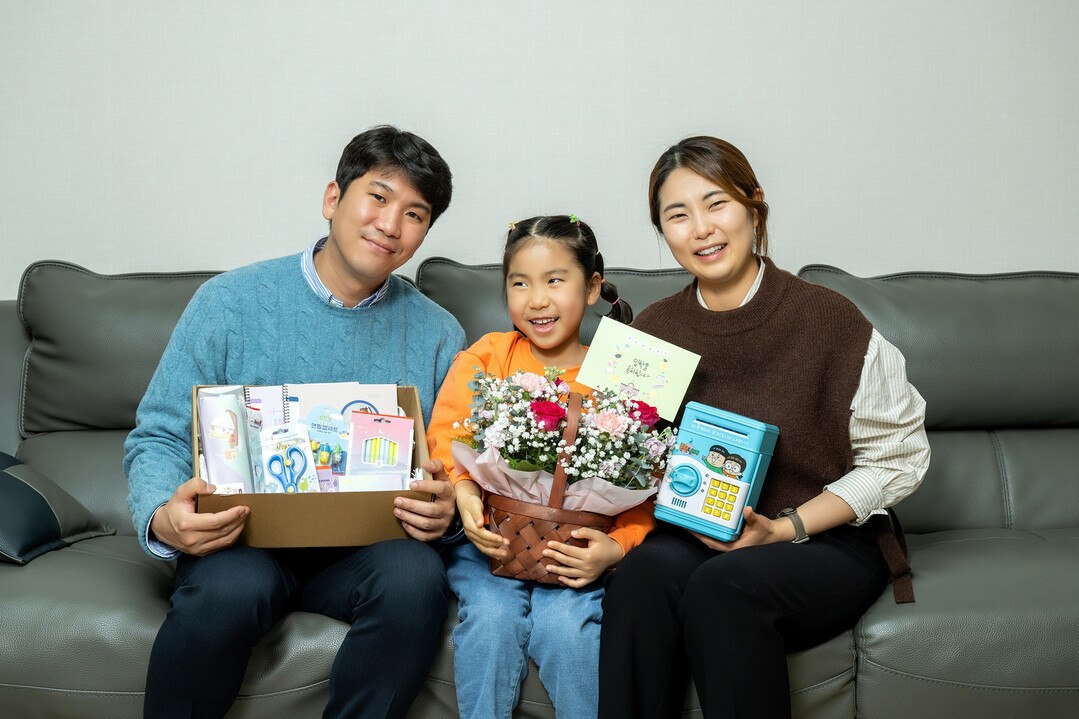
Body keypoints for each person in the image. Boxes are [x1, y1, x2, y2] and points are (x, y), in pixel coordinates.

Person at [123, 125, 467, 719]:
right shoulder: (228, 303)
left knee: (416, 576)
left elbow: (454, 469)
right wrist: (162, 517)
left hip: (367, 549)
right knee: (228, 589)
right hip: (242, 541)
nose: (390, 224)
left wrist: (447, 515)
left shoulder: (439, 334)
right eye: (378, 197)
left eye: (414, 214)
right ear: (333, 198)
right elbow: (158, 433)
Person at [597, 136, 931, 719]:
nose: (702, 229)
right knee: (642, 576)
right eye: (678, 215)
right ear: (663, 230)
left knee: (724, 587)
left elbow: (896, 459)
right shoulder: (652, 330)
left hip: (823, 540)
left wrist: (783, 529)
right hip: (696, 533)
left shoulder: (831, 319)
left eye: (716, 203)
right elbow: (618, 455)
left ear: (754, 205)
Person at [426, 215, 651, 719]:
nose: (537, 300)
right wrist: (464, 492)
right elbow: (446, 436)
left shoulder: (620, 374)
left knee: (567, 629)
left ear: (591, 287)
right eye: (520, 283)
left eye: (554, 280)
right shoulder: (488, 356)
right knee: (490, 619)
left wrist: (616, 547)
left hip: (575, 553)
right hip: (490, 545)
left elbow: (647, 483)